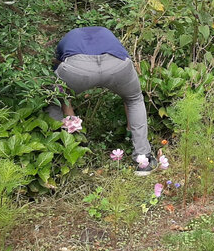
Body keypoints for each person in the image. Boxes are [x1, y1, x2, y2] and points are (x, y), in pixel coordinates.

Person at [52, 26, 156, 175]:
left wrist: (63, 97)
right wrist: (130, 128)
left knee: (56, 98)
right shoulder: (106, 33)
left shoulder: (68, 38)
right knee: (134, 99)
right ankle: (143, 159)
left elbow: (57, 69)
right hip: (116, 65)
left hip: (78, 68)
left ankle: (63, 153)